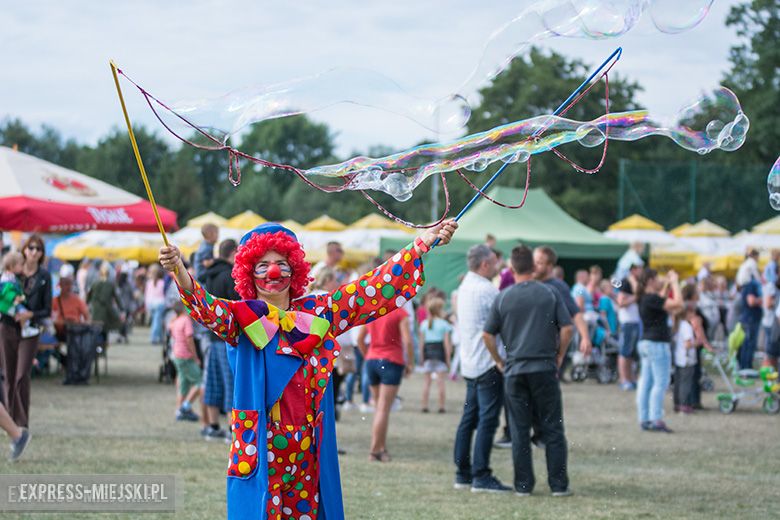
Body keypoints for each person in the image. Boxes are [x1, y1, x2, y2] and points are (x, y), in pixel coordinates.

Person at [159, 219, 457, 519]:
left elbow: (370, 289)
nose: (272, 272)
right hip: (261, 448)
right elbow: (204, 306)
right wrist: (179, 271)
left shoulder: (318, 312)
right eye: (262, 265)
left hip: (308, 450)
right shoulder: (240, 319)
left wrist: (421, 244)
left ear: (295, 269)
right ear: (249, 271)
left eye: (280, 263)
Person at [483, 245, 573, 497]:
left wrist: (500, 361)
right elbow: (567, 328)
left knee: (519, 430)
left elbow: (487, 334)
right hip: (544, 367)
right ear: (534, 267)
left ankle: (524, 485)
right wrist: (559, 354)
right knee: (553, 428)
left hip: (514, 370)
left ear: (511, 268)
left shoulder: (503, 297)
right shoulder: (549, 293)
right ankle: (559, 485)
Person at [452, 244, 510, 493]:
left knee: (469, 419)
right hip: (487, 362)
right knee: (487, 420)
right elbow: (501, 324)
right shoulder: (487, 290)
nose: (498, 266)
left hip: (470, 362)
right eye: (495, 262)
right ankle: (481, 474)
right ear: (485, 264)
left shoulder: (465, 286)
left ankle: (463, 473)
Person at [357, 289, 414, 462]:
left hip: (372, 361)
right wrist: (410, 362)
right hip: (391, 361)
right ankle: (375, 451)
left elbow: (360, 339)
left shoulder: (373, 313)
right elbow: (408, 340)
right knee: (383, 409)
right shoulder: (400, 313)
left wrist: (368, 355)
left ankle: (381, 447)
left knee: (379, 409)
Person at [1, 235, 52, 428]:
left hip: (30, 330)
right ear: (24, 250)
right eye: (31, 248)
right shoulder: (12, 271)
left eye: (38, 249)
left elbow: (47, 309)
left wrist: (29, 314)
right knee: (8, 375)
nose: (34, 252)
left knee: (22, 375)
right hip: (7, 327)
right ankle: (10, 423)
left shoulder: (44, 277)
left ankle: (22, 424)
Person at [200, 238, 240, 440]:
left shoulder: (209, 273)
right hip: (227, 337)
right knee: (232, 384)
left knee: (214, 382)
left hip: (211, 335)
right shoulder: (230, 276)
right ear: (233, 252)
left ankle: (213, 426)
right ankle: (233, 431)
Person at [636, 269, 683, 433]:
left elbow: (662, 299)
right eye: (657, 278)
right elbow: (678, 304)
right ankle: (656, 419)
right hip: (657, 344)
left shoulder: (646, 298)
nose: (659, 281)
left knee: (646, 384)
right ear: (650, 281)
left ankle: (645, 419)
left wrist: (668, 283)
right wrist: (676, 282)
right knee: (660, 383)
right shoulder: (652, 298)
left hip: (647, 343)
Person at [533, 246, 592, 358]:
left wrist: (585, 337)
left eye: (539, 263)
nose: (534, 266)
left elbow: (576, 312)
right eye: (534, 262)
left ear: (550, 267)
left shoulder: (558, 286)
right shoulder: (528, 283)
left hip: (549, 348)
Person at [168, 301, 202, 421]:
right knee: (200, 383)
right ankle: (185, 407)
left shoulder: (174, 321)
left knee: (183, 385)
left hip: (176, 355)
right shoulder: (186, 321)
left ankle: (178, 410)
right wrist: (195, 357)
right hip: (185, 356)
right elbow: (189, 339)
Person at [418, 296, 453, 414]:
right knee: (440, 382)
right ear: (439, 310)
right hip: (440, 356)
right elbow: (447, 344)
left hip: (428, 355)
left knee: (426, 382)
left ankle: (424, 405)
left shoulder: (424, 324)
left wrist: (422, 358)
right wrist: (448, 359)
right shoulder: (444, 324)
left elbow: (421, 343)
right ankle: (441, 406)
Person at [616, 263, 643, 390]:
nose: (641, 270)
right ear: (633, 270)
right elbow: (621, 302)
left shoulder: (636, 283)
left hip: (635, 321)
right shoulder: (625, 282)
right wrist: (635, 298)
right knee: (624, 351)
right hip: (627, 322)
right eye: (639, 268)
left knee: (631, 353)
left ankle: (631, 378)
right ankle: (623, 379)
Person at [736, 250, 762, 370]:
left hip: (748, 316)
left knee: (747, 342)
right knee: (749, 343)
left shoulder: (745, 267)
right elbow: (751, 301)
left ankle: (744, 365)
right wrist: (761, 300)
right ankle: (745, 366)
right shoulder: (751, 284)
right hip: (751, 317)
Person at [87, 262, 123, 343]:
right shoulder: (110, 284)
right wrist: (121, 308)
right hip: (106, 310)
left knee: (96, 328)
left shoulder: (94, 284)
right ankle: (103, 347)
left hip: (96, 310)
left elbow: (88, 297)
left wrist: (86, 305)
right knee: (105, 330)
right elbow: (117, 298)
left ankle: (96, 344)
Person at [145, 264, 167, 344]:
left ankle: (160, 337)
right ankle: (154, 338)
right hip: (160, 303)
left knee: (157, 320)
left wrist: (147, 306)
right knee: (157, 321)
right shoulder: (162, 282)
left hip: (151, 303)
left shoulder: (149, 283)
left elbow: (147, 295)